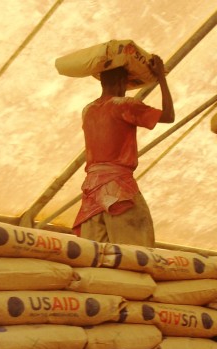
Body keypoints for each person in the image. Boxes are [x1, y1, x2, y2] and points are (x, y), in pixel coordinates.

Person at [72, 55, 174, 246]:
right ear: (122, 82)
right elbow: (168, 116)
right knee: (136, 253)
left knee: (94, 256)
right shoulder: (125, 105)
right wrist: (161, 77)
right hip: (119, 189)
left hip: (92, 192)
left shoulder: (88, 110)